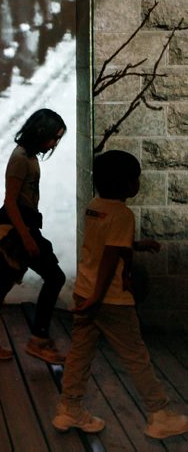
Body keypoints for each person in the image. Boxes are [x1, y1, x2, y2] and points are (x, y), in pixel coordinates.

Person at [52, 150, 188, 440]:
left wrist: (136, 246)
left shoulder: (95, 206)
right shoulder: (123, 214)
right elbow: (111, 257)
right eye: (136, 178)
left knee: (80, 352)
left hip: (83, 292)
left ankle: (70, 408)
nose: (138, 182)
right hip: (110, 299)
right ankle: (159, 414)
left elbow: (105, 244)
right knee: (136, 356)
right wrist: (98, 298)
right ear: (126, 183)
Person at [0, 108, 67, 363]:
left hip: (22, 226)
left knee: (1, 285)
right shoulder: (21, 158)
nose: (54, 143)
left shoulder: (30, 156)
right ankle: (39, 339)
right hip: (15, 229)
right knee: (55, 277)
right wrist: (26, 238)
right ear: (41, 132)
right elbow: (10, 202)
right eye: (54, 137)